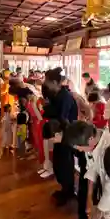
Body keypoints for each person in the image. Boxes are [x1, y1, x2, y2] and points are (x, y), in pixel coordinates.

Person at [43, 68, 78, 206]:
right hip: (60, 134)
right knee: (58, 161)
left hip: (66, 134)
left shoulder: (65, 97)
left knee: (65, 163)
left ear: (55, 82)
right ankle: (64, 188)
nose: (45, 83)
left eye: (47, 81)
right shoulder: (56, 94)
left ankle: (68, 191)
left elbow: (63, 118)